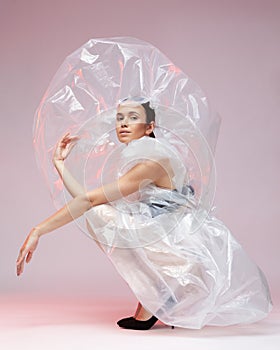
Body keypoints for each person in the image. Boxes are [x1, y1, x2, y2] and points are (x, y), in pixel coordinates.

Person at [17, 98, 272, 331]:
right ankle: (157, 296)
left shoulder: (151, 162)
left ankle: (155, 297)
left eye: (132, 117)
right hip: (162, 231)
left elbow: (90, 201)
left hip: (179, 247)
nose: (124, 123)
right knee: (98, 214)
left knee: (100, 216)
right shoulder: (146, 153)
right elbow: (89, 200)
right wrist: (59, 164)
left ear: (149, 127)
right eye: (120, 118)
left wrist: (39, 230)